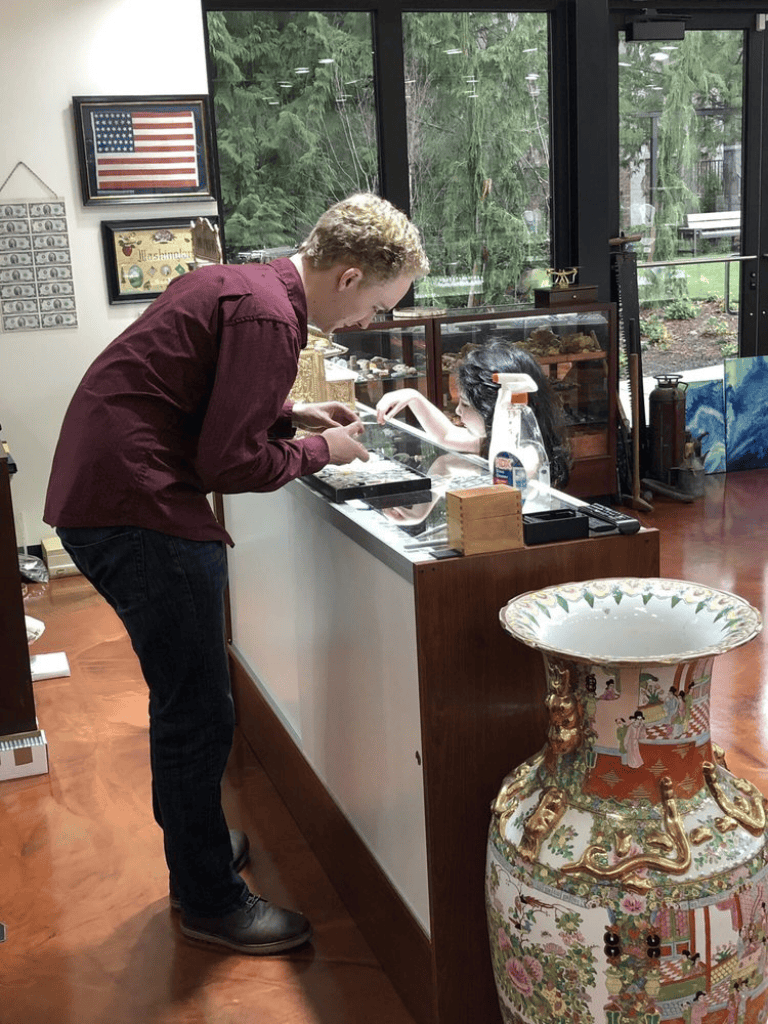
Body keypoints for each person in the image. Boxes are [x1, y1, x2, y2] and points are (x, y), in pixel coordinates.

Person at [43, 193, 429, 956]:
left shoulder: (240, 285)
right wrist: (327, 451)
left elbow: (201, 397)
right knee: (197, 711)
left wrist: (290, 415)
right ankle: (209, 900)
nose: (369, 322)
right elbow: (229, 462)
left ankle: (201, 850)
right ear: (350, 276)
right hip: (138, 506)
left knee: (188, 701)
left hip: (105, 493)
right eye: (380, 303)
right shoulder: (271, 318)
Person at [375, 341, 571, 488]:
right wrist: (412, 397)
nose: (458, 410)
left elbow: (506, 474)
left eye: (466, 404)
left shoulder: (527, 453)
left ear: (492, 409)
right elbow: (446, 436)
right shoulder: (491, 440)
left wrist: (506, 408)